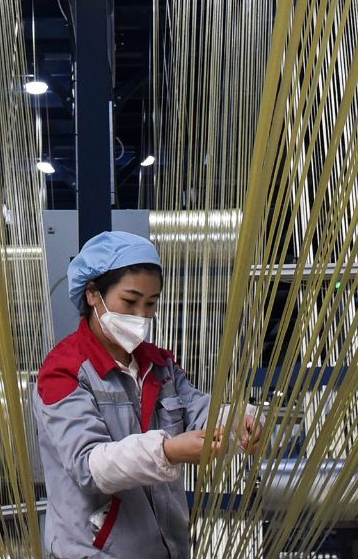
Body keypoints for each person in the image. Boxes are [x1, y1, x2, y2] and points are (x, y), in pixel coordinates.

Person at [34, 231, 260, 558]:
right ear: (93, 294)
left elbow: (197, 411)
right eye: (129, 301)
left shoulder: (158, 364)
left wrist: (240, 421)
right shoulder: (63, 372)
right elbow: (89, 466)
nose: (141, 315)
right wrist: (167, 452)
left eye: (151, 303)